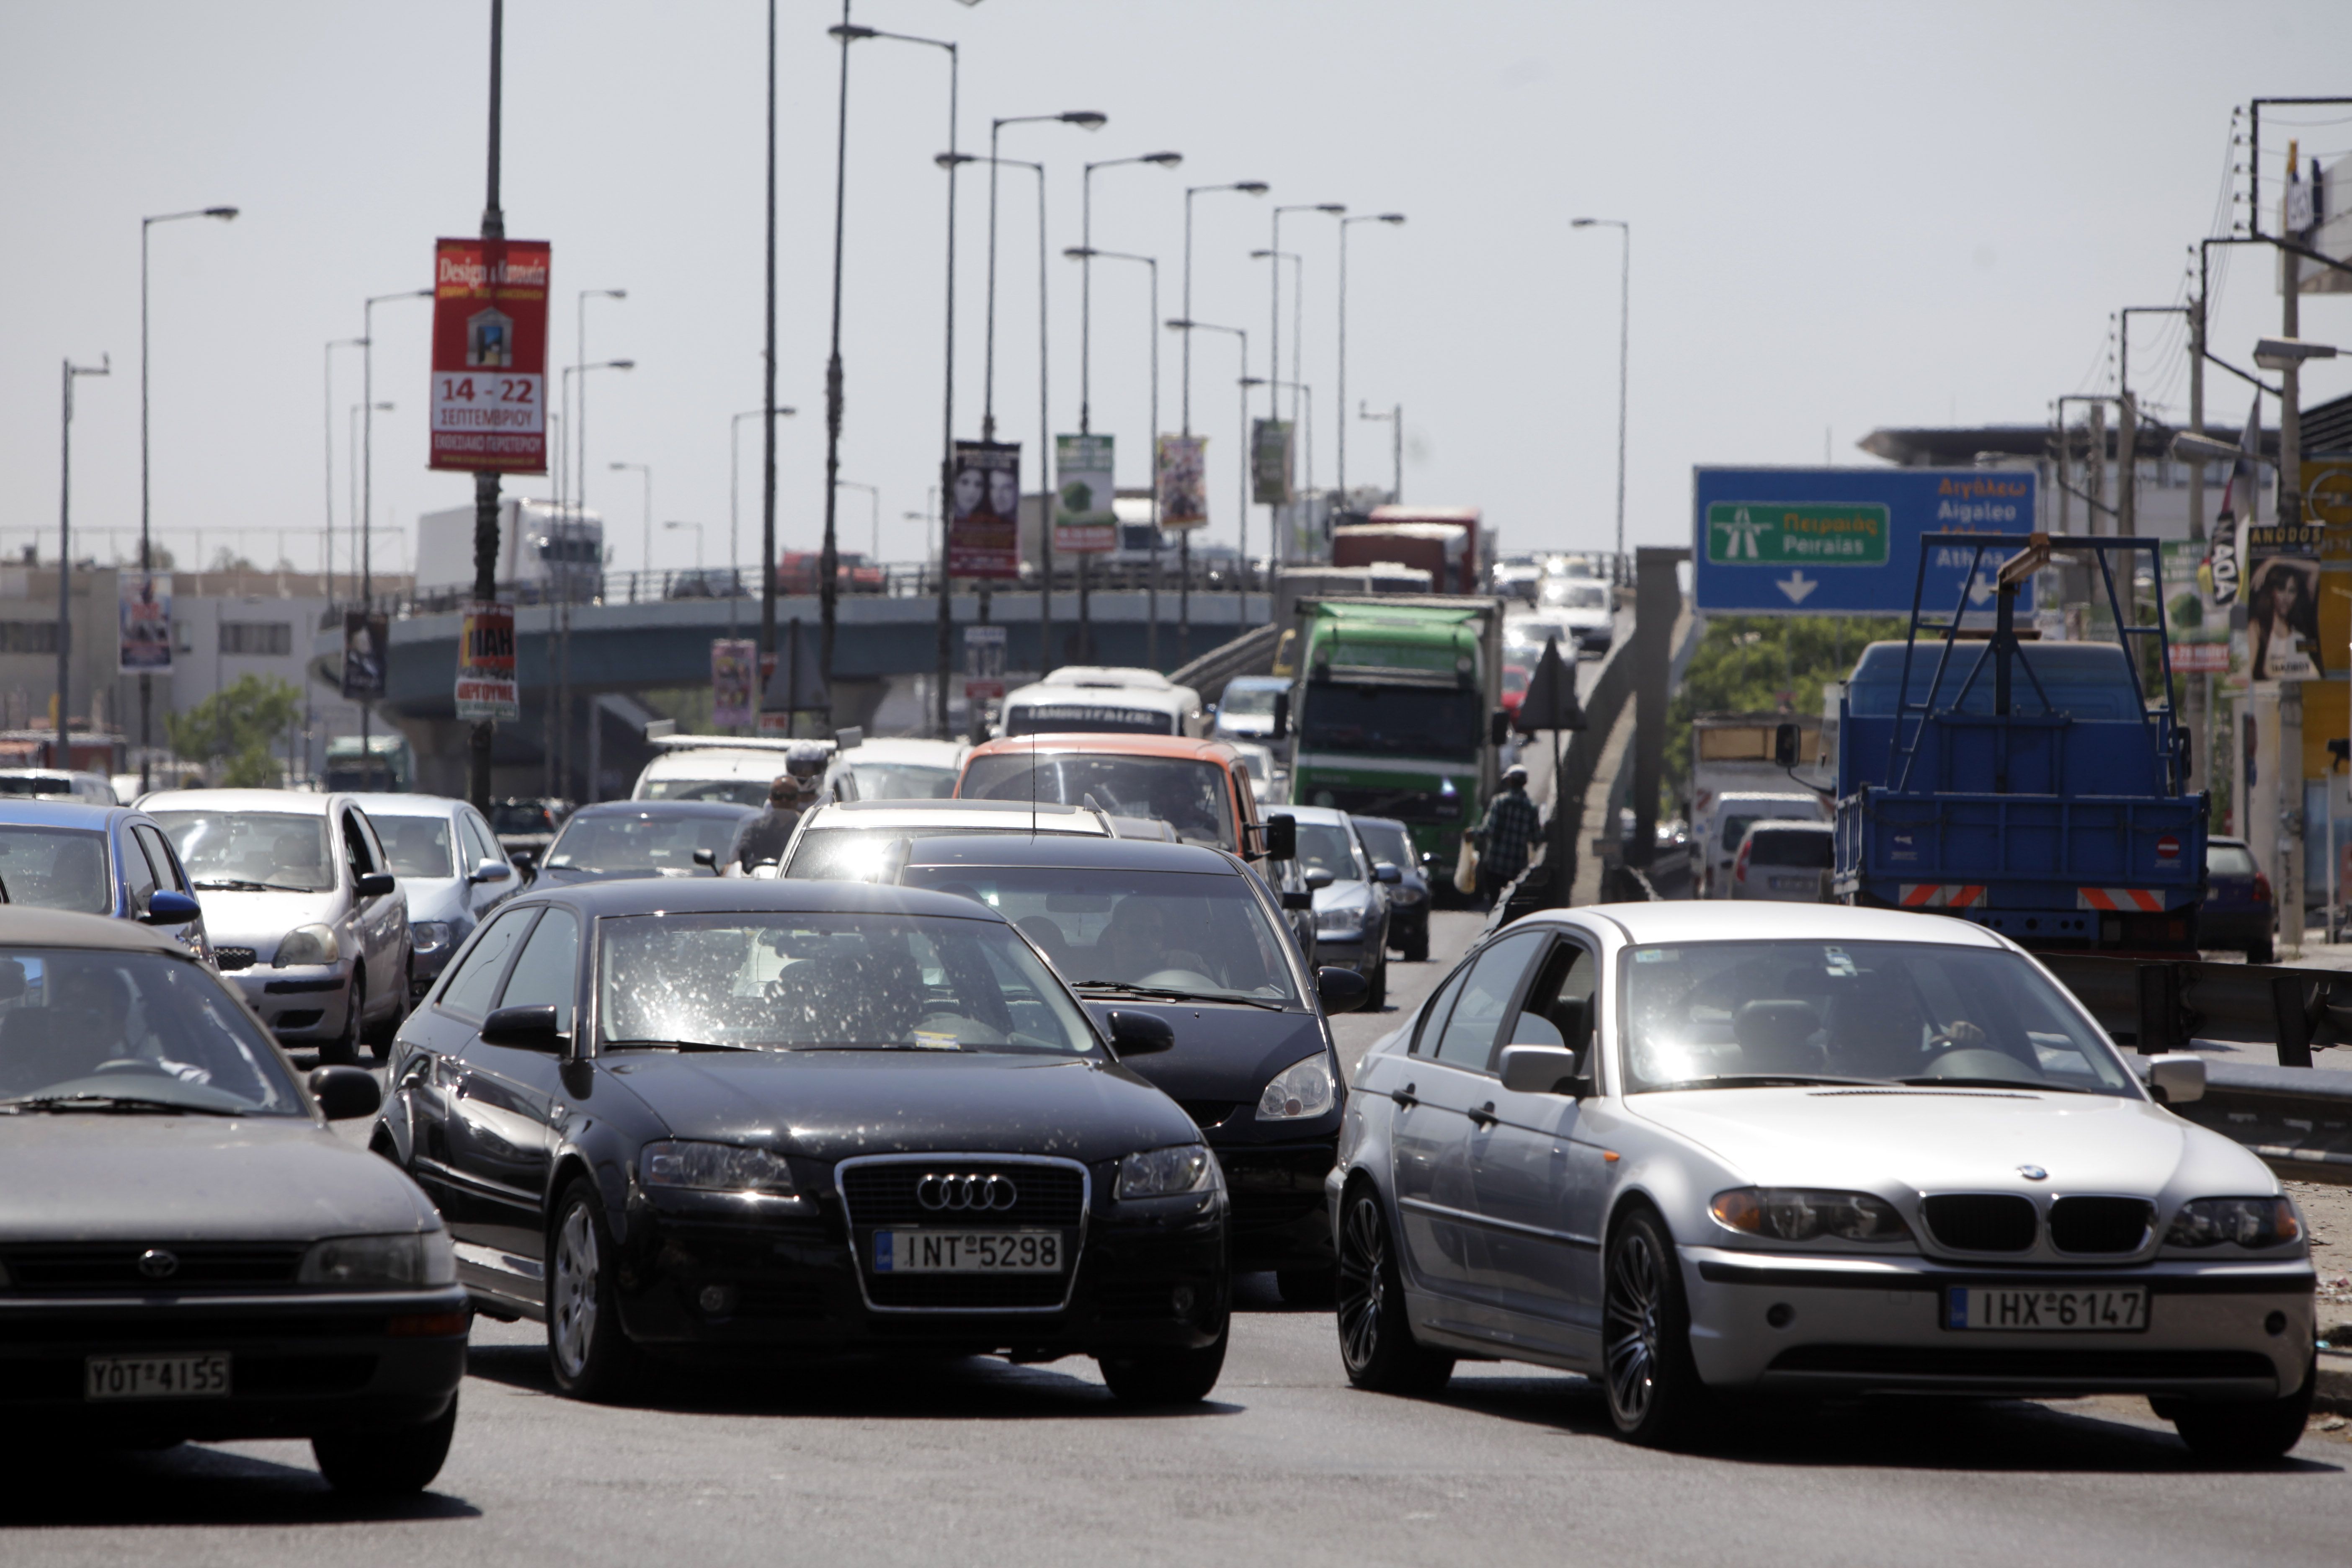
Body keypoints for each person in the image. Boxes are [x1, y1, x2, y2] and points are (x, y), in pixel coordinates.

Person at [1471, 765, 1541, 909]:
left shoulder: (1500, 802)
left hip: (1496, 864)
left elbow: (1489, 829)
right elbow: (1536, 838)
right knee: (1512, 906)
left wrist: (1473, 833)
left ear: (1509, 782)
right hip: (1517, 867)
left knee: (1494, 904)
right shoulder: (1531, 807)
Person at [735, 775, 805, 871]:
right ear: (771, 799)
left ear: (798, 799)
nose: (784, 801)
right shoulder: (757, 826)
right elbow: (740, 852)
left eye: (790, 796)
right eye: (779, 796)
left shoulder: (806, 827)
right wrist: (731, 865)